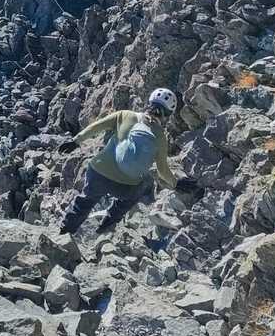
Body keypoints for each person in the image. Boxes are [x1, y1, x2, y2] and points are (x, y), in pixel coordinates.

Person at [58, 88, 199, 238]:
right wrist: (176, 184)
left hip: (99, 172)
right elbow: (162, 171)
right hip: (125, 185)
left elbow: (97, 127)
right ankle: (107, 224)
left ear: (149, 102)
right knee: (145, 183)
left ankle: (64, 234)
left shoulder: (125, 115)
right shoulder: (160, 136)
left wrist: (75, 141)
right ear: (168, 115)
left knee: (85, 201)